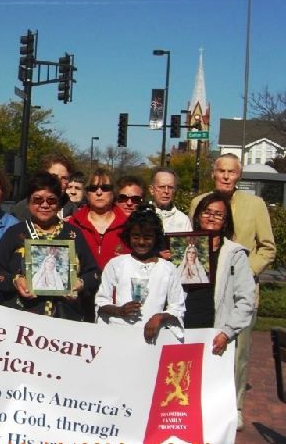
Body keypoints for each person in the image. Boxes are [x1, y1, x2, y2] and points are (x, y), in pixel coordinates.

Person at [189, 154, 273, 430]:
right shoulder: (198, 202)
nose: (226, 176)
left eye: (232, 172)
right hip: (201, 290)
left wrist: (243, 273)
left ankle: (234, 408)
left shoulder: (255, 205)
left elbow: (268, 247)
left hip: (240, 293)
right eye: (221, 171)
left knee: (237, 355)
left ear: (239, 175)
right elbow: (191, 238)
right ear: (214, 173)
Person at [0, 172, 99, 320]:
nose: (44, 205)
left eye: (51, 200)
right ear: (28, 202)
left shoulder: (73, 235)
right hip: (20, 320)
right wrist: (16, 281)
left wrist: (79, 283)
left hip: (64, 320)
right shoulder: (15, 233)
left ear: (59, 203)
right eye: (37, 200)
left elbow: (94, 274)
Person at [190, 192, 256, 413]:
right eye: (207, 212)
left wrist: (228, 332)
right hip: (183, 331)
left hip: (214, 334)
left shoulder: (234, 254)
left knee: (207, 398)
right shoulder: (182, 246)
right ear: (198, 215)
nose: (211, 217)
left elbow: (246, 299)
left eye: (218, 214)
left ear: (226, 220)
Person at [95, 207, 185, 343]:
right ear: (128, 236)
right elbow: (101, 302)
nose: (141, 242)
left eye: (147, 237)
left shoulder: (168, 268)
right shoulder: (117, 264)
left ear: (156, 238)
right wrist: (120, 311)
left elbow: (177, 307)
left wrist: (159, 318)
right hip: (119, 336)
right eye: (136, 236)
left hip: (155, 337)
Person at [69, 168, 129, 269]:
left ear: (113, 191)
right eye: (93, 188)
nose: (99, 192)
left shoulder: (129, 226)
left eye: (105, 188)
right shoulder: (73, 224)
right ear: (87, 193)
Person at [13, 154, 77, 220]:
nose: (58, 182)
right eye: (53, 177)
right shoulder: (21, 209)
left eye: (64, 178)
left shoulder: (74, 210)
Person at [149, 168, 191, 232]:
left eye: (170, 187)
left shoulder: (183, 220)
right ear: (152, 190)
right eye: (162, 187)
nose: (166, 191)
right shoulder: (141, 215)